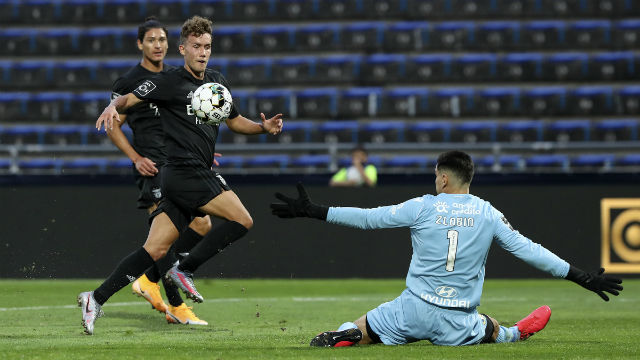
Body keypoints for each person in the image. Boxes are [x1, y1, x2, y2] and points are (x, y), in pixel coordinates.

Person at [270, 150, 623, 347]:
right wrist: (582, 277)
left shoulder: (424, 206)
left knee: (365, 326)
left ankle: (346, 334)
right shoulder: (488, 213)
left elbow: (368, 218)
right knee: (496, 331)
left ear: (443, 178)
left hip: (412, 309)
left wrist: (314, 211)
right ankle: (518, 332)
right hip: (458, 319)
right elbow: (529, 250)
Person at [79, 15, 283, 335]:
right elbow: (130, 98)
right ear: (183, 48)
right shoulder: (168, 82)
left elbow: (235, 120)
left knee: (155, 250)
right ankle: (183, 270)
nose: (203, 52)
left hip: (183, 176)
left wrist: (263, 127)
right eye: (196, 46)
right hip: (186, 172)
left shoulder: (216, 81)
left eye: (208, 47)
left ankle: (96, 297)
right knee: (242, 220)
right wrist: (113, 107)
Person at [106, 16, 211, 325]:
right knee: (167, 238)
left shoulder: (176, 78)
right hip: (152, 166)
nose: (157, 45)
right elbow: (113, 124)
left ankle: (149, 280)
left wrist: (202, 147)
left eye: (162, 40)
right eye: (151, 40)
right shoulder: (129, 81)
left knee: (199, 225)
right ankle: (177, 308)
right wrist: (135, 157)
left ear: (170, 44)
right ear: (140, 44)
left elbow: (187, 121)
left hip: (180, 163)